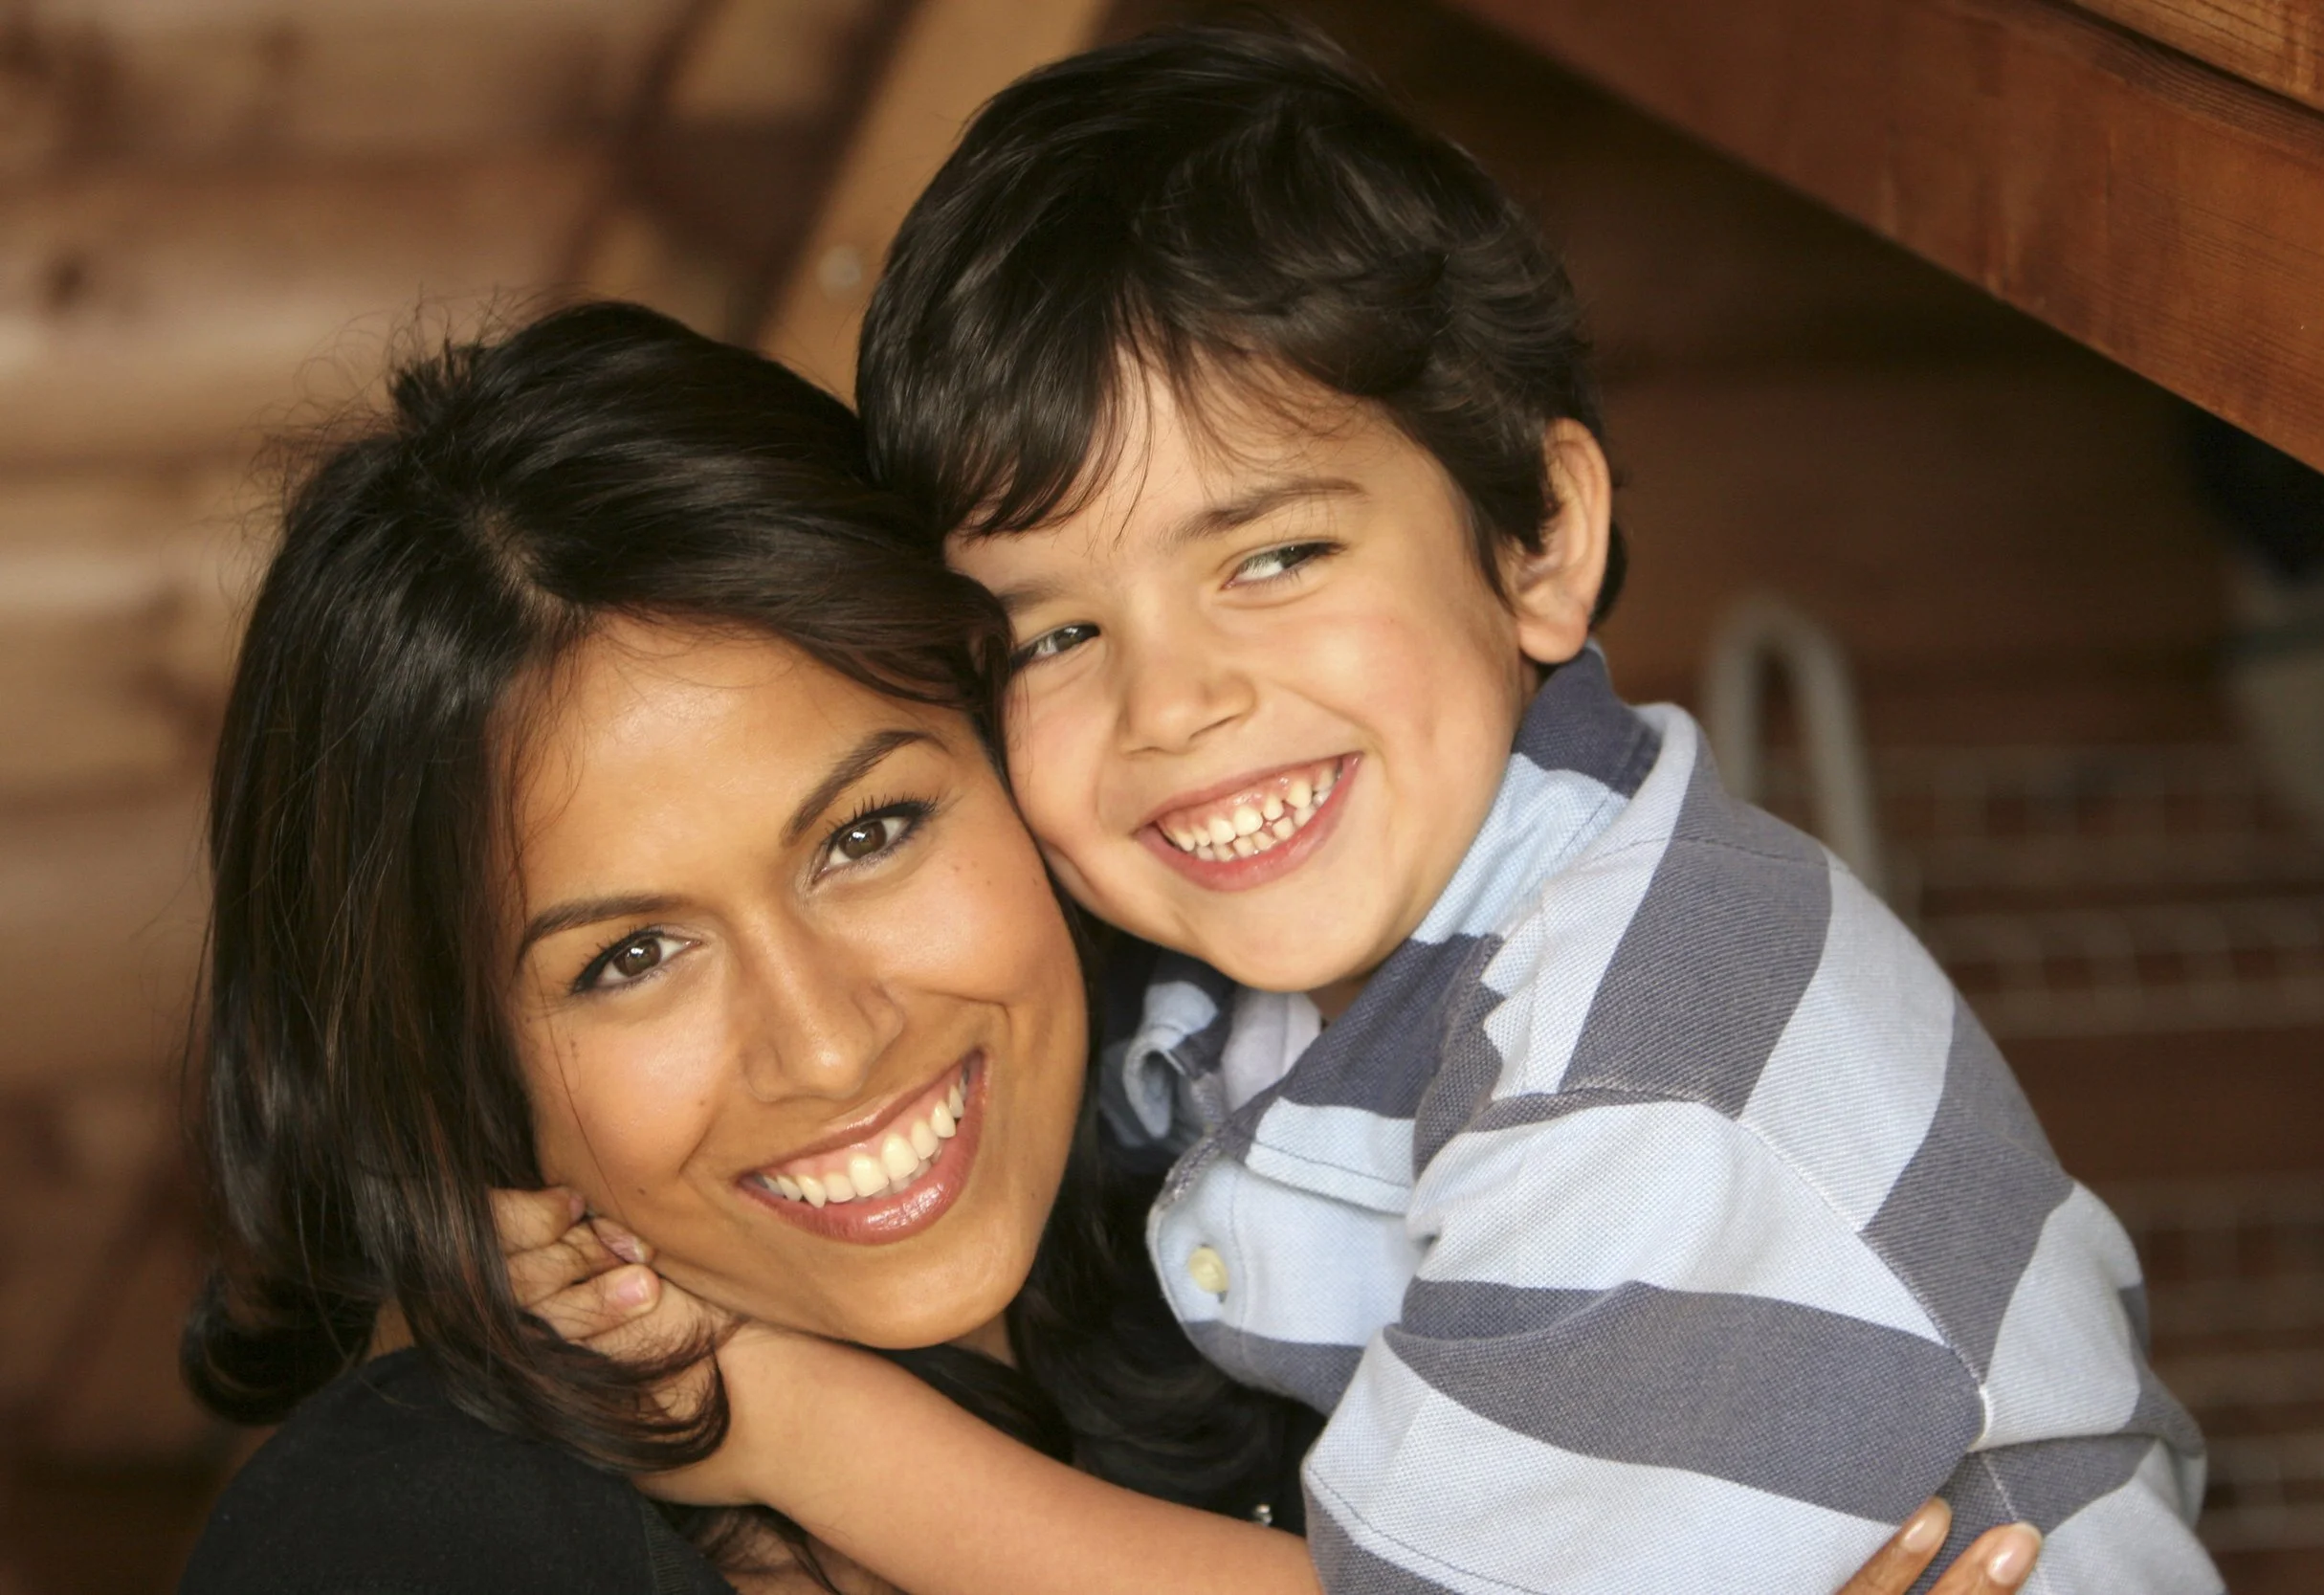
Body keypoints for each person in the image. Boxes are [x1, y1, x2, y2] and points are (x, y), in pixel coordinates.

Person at [175, 303, 2037, 1595]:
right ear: (445, 1058)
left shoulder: (1299, 1294)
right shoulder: (417, 1534)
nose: (825, 1042)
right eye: (627, 956)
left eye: (872, 831)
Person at [861, 21, 2217, 1595]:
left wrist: (775, 1419)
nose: (1170, 705)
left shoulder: (1637, 1061)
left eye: (1275, 556)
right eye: (1057, 632)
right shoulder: (1239, 989)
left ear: (1539, 543)